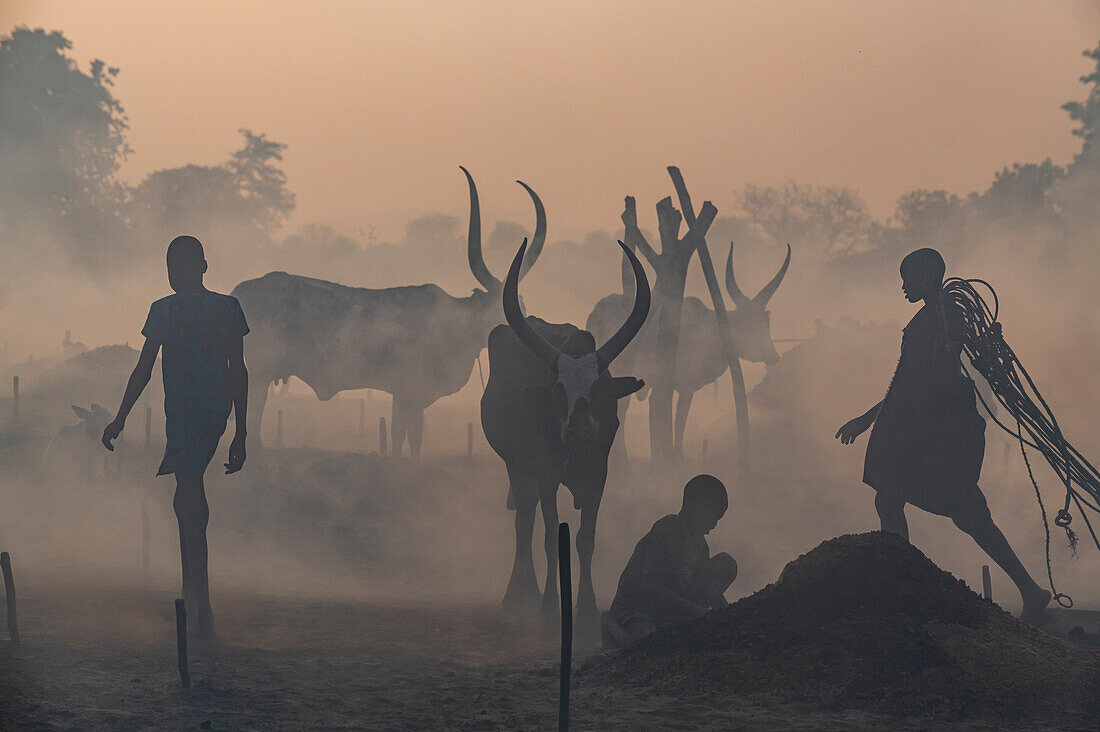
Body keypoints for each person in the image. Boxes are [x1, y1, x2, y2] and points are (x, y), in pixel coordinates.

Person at [835, 247, 1050, 624]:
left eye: (907, 279)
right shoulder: (929, 318)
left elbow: (931, 376)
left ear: (925, 277)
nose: (902, 287)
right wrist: (871, 419)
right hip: (920, 430)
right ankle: (901, 580)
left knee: (968, 514)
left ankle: (1029, 589)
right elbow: (907, 381)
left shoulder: (944, 317)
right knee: (890, 498)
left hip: (938, 435)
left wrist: (872, 417)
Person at [102, 235, 249, 639]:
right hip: (212, 413)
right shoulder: (226, 308)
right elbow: (238, 371)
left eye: (176, 266)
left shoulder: (167, 311)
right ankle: (195, 592)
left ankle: (198, 598)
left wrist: (120, 418)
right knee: (188, 493)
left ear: (202, 267)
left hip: (188, 414)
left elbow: (143, 369)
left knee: (189, 495)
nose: (173, 273)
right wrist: (239, 430)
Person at [602, 474, 737, 649]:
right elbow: (650, 587)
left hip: (669, 608)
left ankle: (672, 626)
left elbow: (704, 586)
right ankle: (610, 625)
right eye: (713, 517)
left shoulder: (700, 545)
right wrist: (697, 611)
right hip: (637, 607)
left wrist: (727, 613)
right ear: (695, 506)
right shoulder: (667, 530)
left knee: (726, 563)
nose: (714, 525)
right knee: (645, 645)